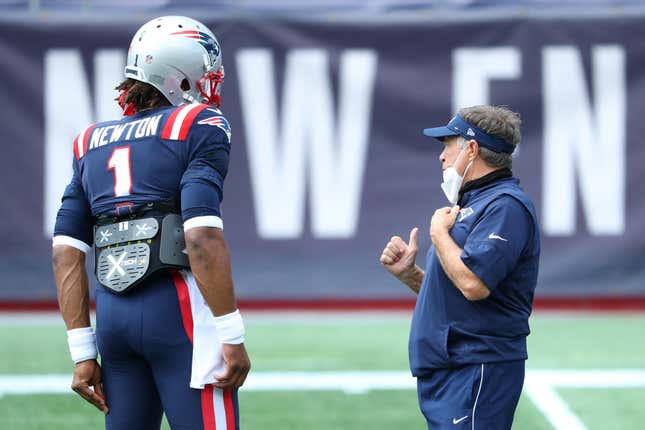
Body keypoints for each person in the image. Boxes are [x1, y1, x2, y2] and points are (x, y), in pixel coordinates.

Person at [52, 16, 250, 430]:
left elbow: (66, 252)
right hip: (177, 311)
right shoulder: (200, 124)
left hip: (113, 319)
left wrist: (82, 350)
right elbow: (200, 235)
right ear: (181, 77)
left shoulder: (89, 141)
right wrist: (230, 332)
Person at [379, 105, 540, 429]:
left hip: (478, 366)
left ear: (471, 148)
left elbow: (474, 285)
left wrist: (438, 234)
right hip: (455, 367)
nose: (441, 157)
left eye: (447, 145)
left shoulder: (504, 206)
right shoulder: (475, 203)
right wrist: (413, 276)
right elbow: (459, 291)